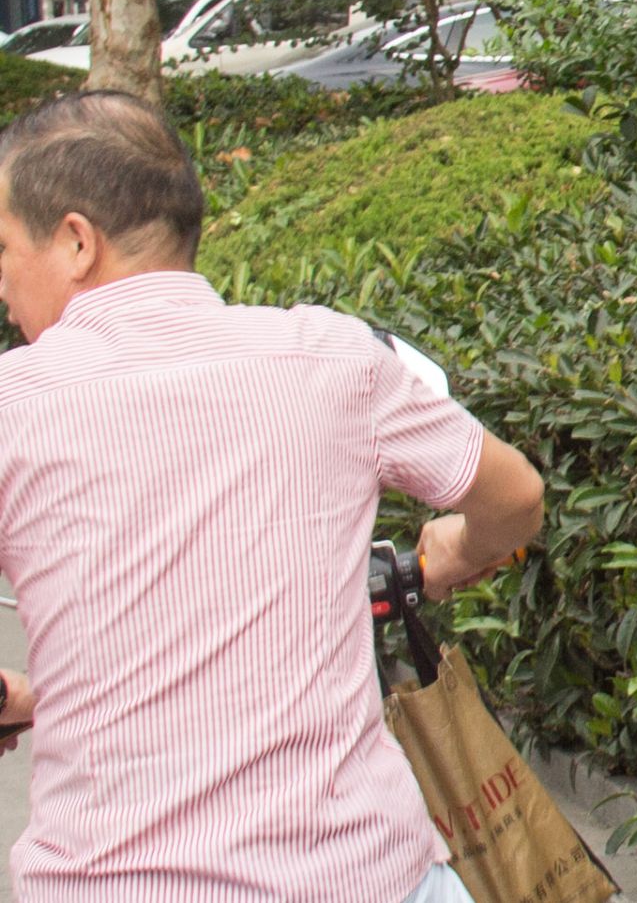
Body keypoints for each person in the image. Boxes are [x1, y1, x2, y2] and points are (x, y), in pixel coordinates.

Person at [0, 91, 544, 902]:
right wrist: (459, 551)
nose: (3, 286)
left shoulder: (13, 406)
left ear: (77, 241)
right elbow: (518, 496)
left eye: (4, 250)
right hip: (367, 877)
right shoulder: (329, 357)